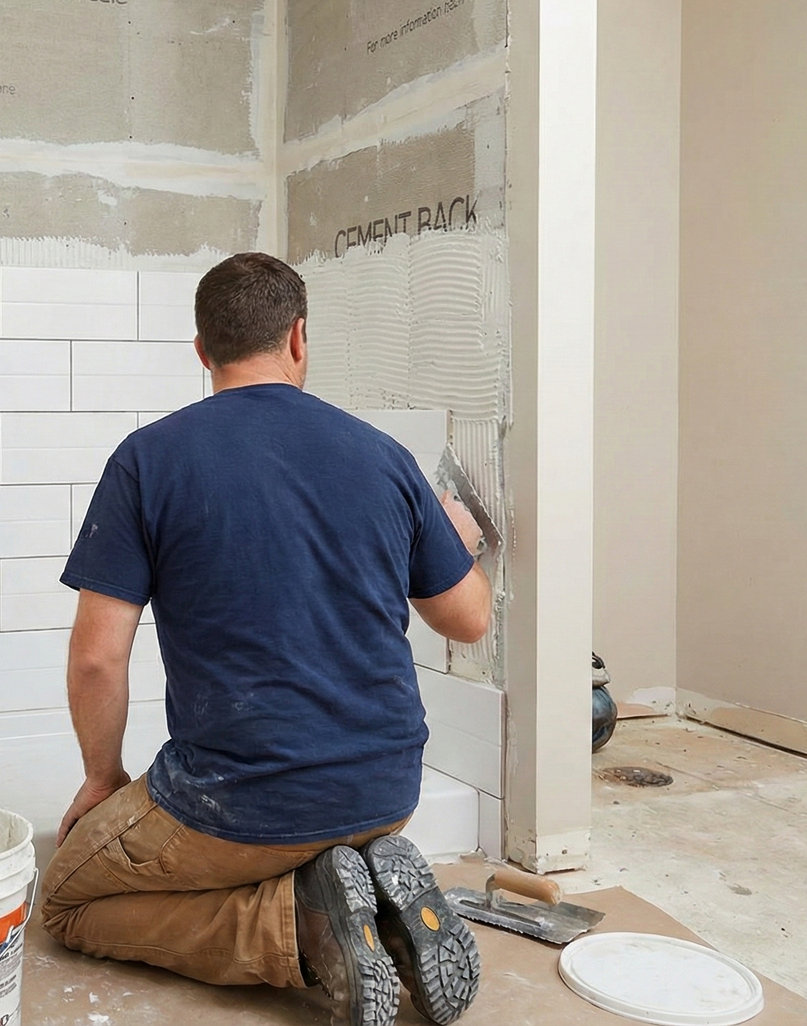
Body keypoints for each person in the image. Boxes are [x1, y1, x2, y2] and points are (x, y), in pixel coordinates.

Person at [40, 252, 494, 1026]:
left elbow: (95, 655)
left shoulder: (150, 459)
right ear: (298, 337)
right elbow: (468, 618)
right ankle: (368, 899)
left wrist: (101, 774)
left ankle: (296, 925)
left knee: (65, 900)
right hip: (387, 789)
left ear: (201, 350)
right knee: (306, 834)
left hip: (238, 806)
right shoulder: (386, 458)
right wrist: (456, 544)